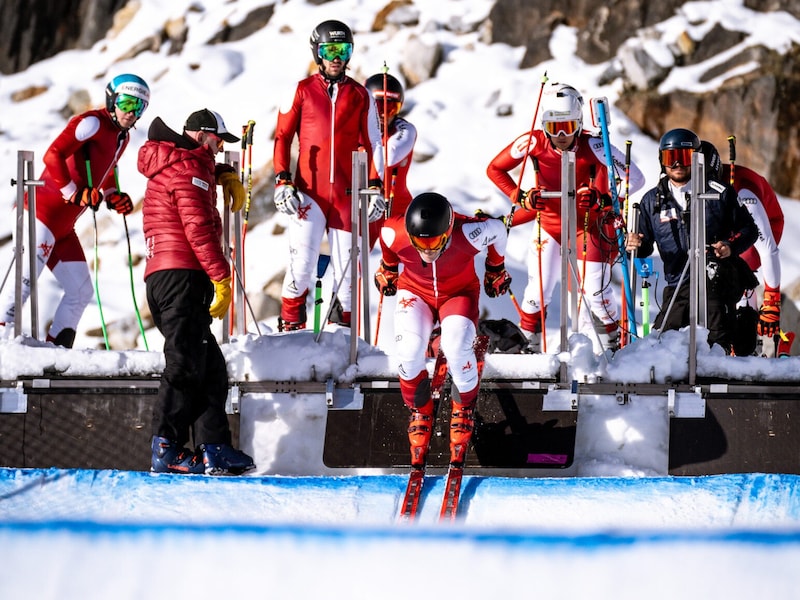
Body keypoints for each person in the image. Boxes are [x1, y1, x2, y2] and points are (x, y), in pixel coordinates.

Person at [486, 82, 644, 353]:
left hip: (588, 227)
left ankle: (616, 349)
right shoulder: (534, 141)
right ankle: (527, 353)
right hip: (548, 225)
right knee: (537, 293)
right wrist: (520, 196)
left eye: (569, 127)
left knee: (596, 293)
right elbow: (494, 169)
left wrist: (604, 200)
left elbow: (636, 179)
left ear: (579, 124)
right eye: (553, 127)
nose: (561, 135)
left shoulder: (594, 144)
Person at [138, 108, 252, 475]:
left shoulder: (183, 163)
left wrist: (224, 173)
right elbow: (198, 228)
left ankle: (213, 448)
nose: (219, 149)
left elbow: (193, 168)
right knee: (185, 363)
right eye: (218, 142)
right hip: (181, 275)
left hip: (171, 275)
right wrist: (222, 277)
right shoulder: (189, 170)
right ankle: (166, 447)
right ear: (202, 135)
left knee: (210, 367)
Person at [0, 74, 150, 347]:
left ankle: (55, 352)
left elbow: (106, 168)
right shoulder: (92, 122)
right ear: (112, 99)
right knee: (23, 282)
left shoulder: (121, 137)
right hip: (38, 213)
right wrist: (73, 192)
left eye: (139, 107)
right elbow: (52, 155)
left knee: (80, 291)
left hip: (62, 228)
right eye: (127, 103)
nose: (131, 112)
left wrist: (112, 195)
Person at [375, 192, 511, 467]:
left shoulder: (469, 233)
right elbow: (388, 247)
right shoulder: (393, 232)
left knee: (456, 349)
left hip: (458, 293)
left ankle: (463, 409)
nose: (427, 250)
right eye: (419, 243)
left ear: (448, 231)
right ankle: (420, 410)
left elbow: (498, 230)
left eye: (436, 241)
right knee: (409, 351)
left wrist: (494, 268)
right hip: (415, 292)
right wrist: (388, 269)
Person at [273, 19, 384, 332]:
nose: (336, 57)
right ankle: (290, 333)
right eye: (329, 50)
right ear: (317, 53)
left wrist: (375, 186)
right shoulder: (300, 91)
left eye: (343, 50)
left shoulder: (362, 96)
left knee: (349, 276)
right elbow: (282, 137)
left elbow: (375, 143)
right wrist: (283, 181)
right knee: (301, 267)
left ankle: (340, 345)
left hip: (348, 197)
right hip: (309, 193)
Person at [626, 129, 758, 354]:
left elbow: (749, 230)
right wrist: (635, 246)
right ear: (662, 161)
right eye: (670, 158)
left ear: (696, 158)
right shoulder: (652, 201)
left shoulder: (719, 193)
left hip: (717, 275)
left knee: (714, 323)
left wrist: (730, 246)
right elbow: (645, 246)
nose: (677, 164)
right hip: (678, 281)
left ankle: (719, 360)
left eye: (684, 156)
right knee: (664, 338)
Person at [699, 140, 784, 355]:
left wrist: (772, 300)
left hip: (764, 225)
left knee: (742, 260)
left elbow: (767, 248)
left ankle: (748, 319)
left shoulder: (744, 191)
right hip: (726, 227)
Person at [364, 71, 417, 222]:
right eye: (379, 107)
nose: (383, 115)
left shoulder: (405, 129)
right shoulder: (354, 129)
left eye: (391, 108)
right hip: (362, 207)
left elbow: (390, 154)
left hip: (398, 210)